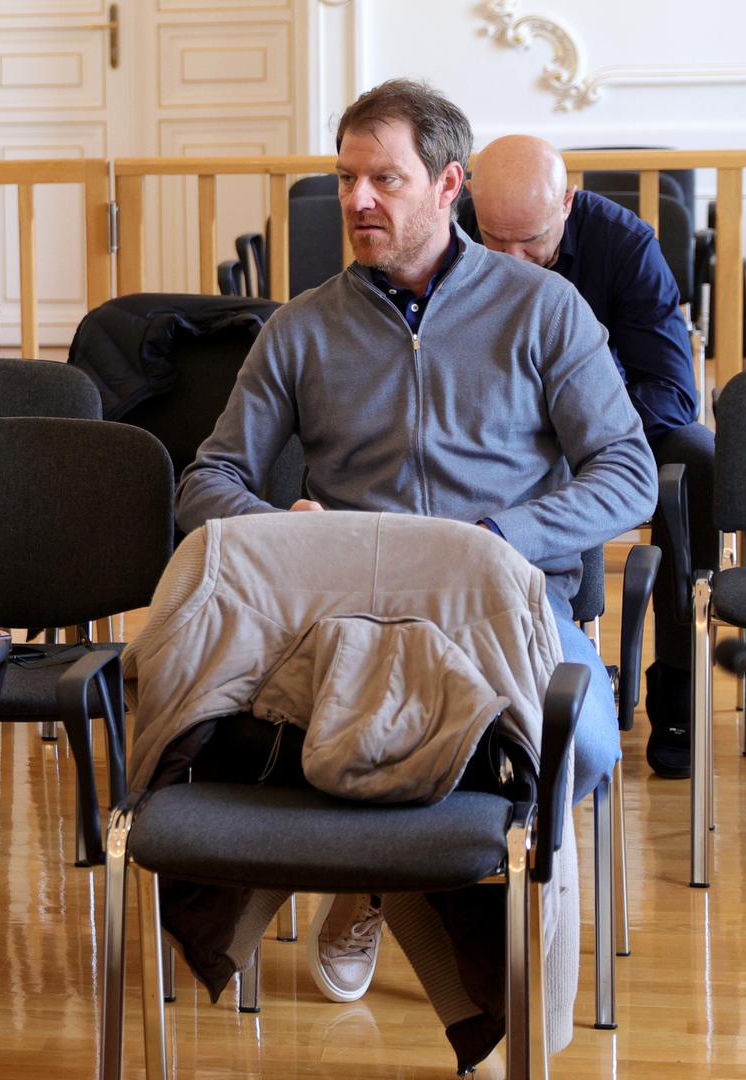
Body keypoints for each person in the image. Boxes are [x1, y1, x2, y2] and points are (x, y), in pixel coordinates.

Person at [175, 80, 656, 1010]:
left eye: (384, 179)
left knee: (583, 745)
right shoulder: (302, 327)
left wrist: (496, 537)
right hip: (345, 620)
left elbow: (628, 473)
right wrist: (278, 531)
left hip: (510, 609)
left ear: (448, 186)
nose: (358, 199)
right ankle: (373, 878)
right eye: (348, 177)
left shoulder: (543, 310)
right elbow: (208, 483)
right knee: (219, 731)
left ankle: (432, 916)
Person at [466, 134, 712, 780]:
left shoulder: (625, 244)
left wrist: (583, 420)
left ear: (568, 204)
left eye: (532, 242)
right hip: (491, 440)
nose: (515, 261)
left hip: (608, 431)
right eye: (496, 240)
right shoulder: (449, 238)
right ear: (469, 207)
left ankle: (678, 691)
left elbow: (672, 391)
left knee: (698, 459)